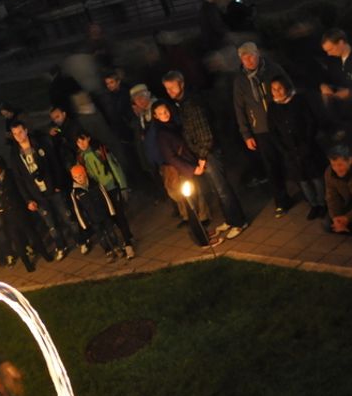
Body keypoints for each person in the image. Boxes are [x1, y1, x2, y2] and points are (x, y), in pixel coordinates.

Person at [163, 70, 248, 240]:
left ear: (181, 84)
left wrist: (202, 158)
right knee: (217, 189)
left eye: (172, 87)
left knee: (222, 188)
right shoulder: (182, 103)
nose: (170, 91)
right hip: (202, 154)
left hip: (208, 154)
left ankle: (239, 222)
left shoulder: (192, 104)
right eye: (167, 88)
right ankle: (230, 220)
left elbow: (206, 135)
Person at [232, 42, 293, 215]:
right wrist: (246, 134)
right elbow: (239, 108)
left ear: (258, 53)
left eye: (250, 55)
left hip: (281, 123)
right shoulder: (240, 81)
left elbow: (289, 89)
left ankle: (310, 193)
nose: (248, 60)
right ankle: (281, 200)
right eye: (244, 58)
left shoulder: (273, 69)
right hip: (260, 129)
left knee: (291, 158)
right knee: (271, 166)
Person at [151, 100, 218, 248]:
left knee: (195, 202)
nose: (165, 115)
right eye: (161, 113)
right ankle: (202, 240)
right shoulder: (162, 134)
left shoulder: (173, 125)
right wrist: (192, 169)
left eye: (166, 111)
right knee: (191, 206)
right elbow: (171, 158)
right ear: (155, 116)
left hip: (188, 169)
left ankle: (203, 232)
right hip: (182, 173)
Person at [8, 120, 76, 259]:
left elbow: (54, 163)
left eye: (20, 132)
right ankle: (61, 246)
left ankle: (80, 239)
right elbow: (19, 180)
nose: (19, 136)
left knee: (66, 216)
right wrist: (28, 200)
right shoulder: (15, 154)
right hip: (37, 194)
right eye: (15, 134)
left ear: (26, 130)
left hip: (52, 187)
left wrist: (58, 184)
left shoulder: (40, 144)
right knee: (50, 224)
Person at [268, 76, 328, 219]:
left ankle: (323, 203)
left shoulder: (298, 100)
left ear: (286, 87)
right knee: (302, 179)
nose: (277, 92)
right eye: (274, 89)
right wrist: (283, 150)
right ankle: (313, 204)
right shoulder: (272, 107)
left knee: (315, 176)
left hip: (307, 145)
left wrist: (307, 143)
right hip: (289, 150)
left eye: (280, 88)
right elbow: (273, 131)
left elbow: (310, 122)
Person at [0, 154, 49, 271]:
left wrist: (28, 201)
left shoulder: (10, 173)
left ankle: (45, 254)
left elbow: (20, 188)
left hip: (19, 209)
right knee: (17, 240)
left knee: (32, 233)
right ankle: (27, 264)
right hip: (6, 214)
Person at [75, 132, 135, 256]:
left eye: (83, 140)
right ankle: (127, 238)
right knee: (111, 217)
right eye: (78, 142)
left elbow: (115, 167)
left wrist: (123, 186)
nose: (81, 144)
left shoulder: (100, 150)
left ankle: (128, 243)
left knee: (119, 215)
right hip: (98, 192)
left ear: (88, 138)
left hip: (110, 186)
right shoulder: (80, 157)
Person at [68, 165, 128, 262]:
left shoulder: (95, 184)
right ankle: (108, 251)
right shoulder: (75, 193)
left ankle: (117, 247)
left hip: (104, 214)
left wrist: (111, 211)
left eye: (80, 175)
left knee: (111, 231)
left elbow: (106, 197)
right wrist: (83, 224)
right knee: (101, 236)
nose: (79, 179)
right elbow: (77, 210)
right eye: (76, 177)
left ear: (85, 174)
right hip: (93, 219)